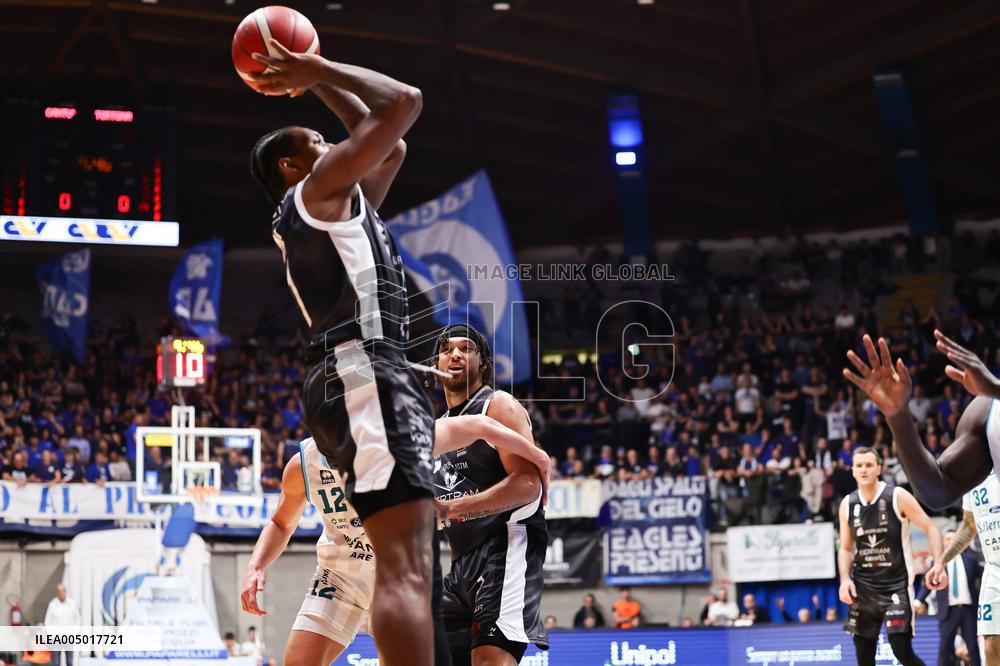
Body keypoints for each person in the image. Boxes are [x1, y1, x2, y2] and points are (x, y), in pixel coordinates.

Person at [248, 38, 432, 666]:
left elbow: (392, 144)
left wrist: (310, 82)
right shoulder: (315, 193)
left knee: (406, 565)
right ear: (293, 167)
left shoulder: (334, 207)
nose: (334, 145)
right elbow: (403, 103)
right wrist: (319, 67)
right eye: (318, 143)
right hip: (363, 369)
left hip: (360, 372)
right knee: (404, 568)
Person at [241, 417, 549, 666]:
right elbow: (280, 523)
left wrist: (537, 456)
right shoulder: (303, 465)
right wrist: (256, 566)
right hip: (339, 577)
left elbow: (479, 425)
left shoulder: (395, 442)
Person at [433, 325, 549, 666]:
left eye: (465, 348)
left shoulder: (497, 405)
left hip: (505, 548)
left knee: (489, 660)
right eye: (446, 349)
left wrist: (451, 509)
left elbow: (528, 484)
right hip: (460, 563)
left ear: (482, 362)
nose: (454, 354)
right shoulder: (440, 426)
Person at [838, 446, 944, 666]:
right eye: (859, 465)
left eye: (869, 465)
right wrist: (845, 579)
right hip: (864, 588)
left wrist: (939, 564)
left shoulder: (897, 496)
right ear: (853, 470)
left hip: (897, 585)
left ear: (879, 469)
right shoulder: (847, 504)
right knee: (864, 657)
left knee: (901, 649)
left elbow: (931, 528)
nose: (864, 469)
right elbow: (846, 549)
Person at [921, 474, 999, 665]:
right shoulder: (973, 479)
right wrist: (941, 562)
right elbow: (968, 526)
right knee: (991, 643)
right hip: (994, 571)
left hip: (969, 604)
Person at [916, 530, 981, 666]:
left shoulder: (971, 559)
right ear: (943, 542)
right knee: (945, 646)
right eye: (947, 539)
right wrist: (918, 600)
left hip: (968, 609)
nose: (950, 541)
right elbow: (929, 583)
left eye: (953, 538)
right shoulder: (938, 563)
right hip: (948, 610)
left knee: (972, 646)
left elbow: (982, 578)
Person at [44, 584, 80, 666]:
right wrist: (50, 634)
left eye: (62, 592)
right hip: (56, 637)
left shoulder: (72, 604)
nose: (61, 594)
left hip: (69, 636)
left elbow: (77, 619)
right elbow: (47, 621)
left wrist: (75, 632)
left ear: (65, 592)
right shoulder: (53, 604)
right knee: (56, 662)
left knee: (69, 661)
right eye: (59, 592)